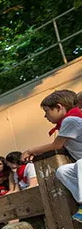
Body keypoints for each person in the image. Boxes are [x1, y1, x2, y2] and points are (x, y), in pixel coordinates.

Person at [21, 90, 82, 221]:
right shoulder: (68, 122)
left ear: (59, 107)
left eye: (47, 111)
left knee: (80, 164)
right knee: (62, 171)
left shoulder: (71, 120)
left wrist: (30, 150)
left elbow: (56, 145)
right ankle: (80, 201)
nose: (45, 116)